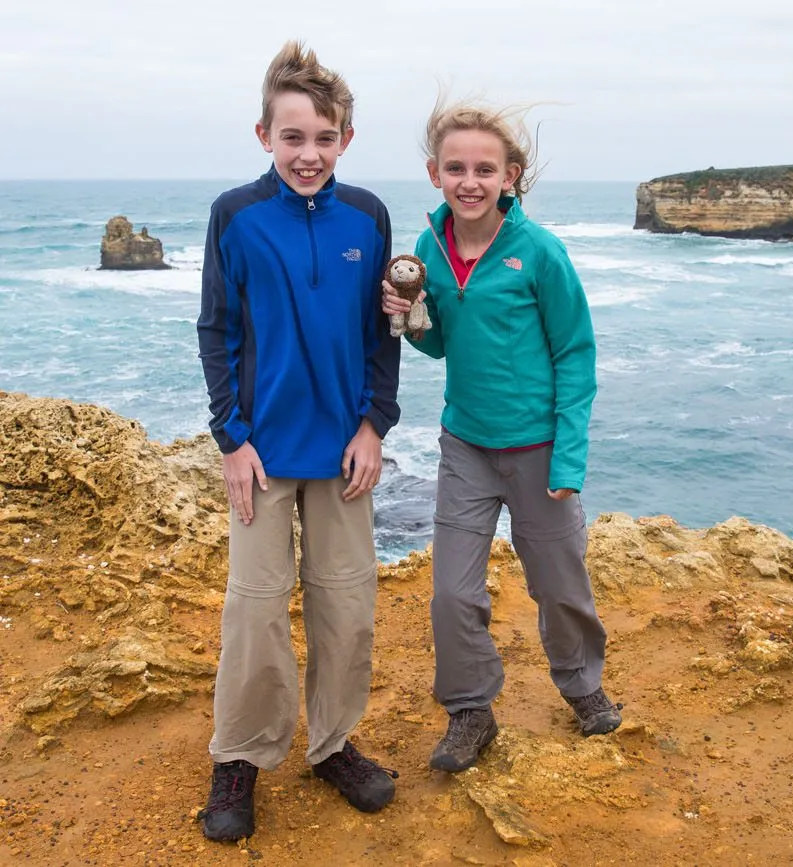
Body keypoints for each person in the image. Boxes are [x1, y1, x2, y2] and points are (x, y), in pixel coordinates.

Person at [194, 40, 401, 842]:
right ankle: (241, 752)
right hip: (263, 453)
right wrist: (230, 440)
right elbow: (217, 331)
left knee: (346, 607)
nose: (308, 153)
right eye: (293, 138)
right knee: (255, 611)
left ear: (345, 138)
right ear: (263, 136)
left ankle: (332, 742)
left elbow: (384, 331)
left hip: (345, 451)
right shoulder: (235, 216)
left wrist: (373, 423)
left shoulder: (369, 217)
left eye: (324, 138)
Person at [382, 96, 621, 773]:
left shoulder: (539, 252)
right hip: (466, 445)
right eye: (455, 167)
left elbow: (576, 352)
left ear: (509, 176)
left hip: (539, 446)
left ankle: (583, 687)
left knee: (559, 583)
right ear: (435, 174)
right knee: (453, 591)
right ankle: (470, 710)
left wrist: (569, 454)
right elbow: (442, 347)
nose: (470, 180)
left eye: (485, 168)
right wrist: (414, 319)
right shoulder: (429, 247)